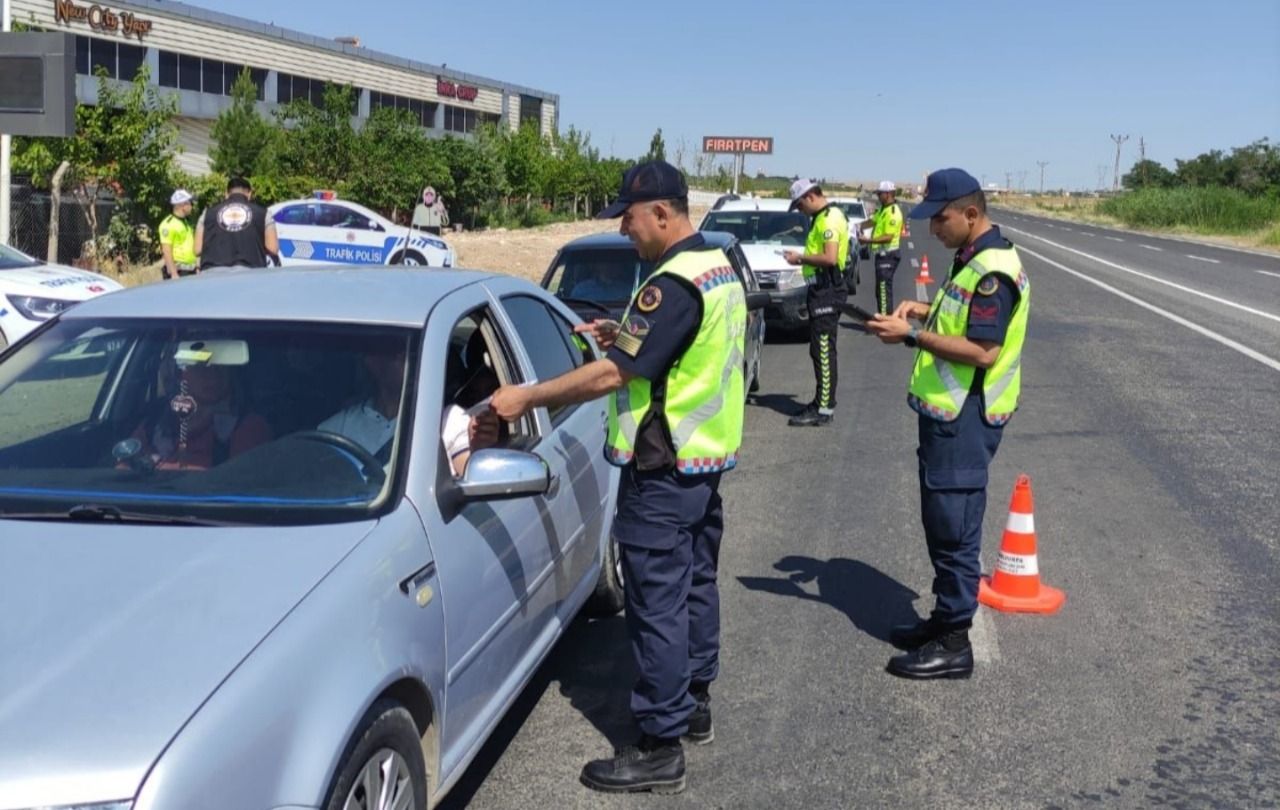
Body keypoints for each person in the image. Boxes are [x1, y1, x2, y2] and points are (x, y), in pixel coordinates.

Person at [490, 160, 747, 795]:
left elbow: (612, 376)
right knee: (694, 585)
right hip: (701, 468)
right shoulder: (717, 270)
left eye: (629, 220)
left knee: (656, 604)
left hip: (661, 471)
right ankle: (694, 704)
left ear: (663, 213)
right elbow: (673, 353)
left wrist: (529, 398)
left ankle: (660, 747)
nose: (625, 231)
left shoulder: (672, 285)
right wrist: (622, 335)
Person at [865, 168, 1030, 680]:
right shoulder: (972, 259)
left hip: (965, 421)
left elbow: (983, 350)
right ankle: (942, 620)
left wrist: (911, 337)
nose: (932, 228)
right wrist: (926, 310)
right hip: (948, 418)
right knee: (941, 522)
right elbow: (962, 319)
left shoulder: (991, 272)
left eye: (940, 218)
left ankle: (955, 641)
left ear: (971, 214)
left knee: (955, 529)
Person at [319, 338, 497, 475]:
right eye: (398, 351)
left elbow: (470, 479)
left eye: (415, 352)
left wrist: (478, 449)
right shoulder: (335, 429)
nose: (410, 358)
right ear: (372, 361)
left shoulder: (449, 420)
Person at [131, 347, 272, 470]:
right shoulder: (155, 424)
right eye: (200, 366)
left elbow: (239, 485)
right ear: (180, 374)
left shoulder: (248, 427)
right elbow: (121, 474)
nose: (212, 374)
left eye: (220, 364)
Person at [782, 179, 850, 427]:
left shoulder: (829, 218)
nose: (800, 211)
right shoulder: (821, 217)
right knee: (819, 348)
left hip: (827, 289)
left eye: (800, 206)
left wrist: (800, 258)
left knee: (823, 349)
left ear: (810, 196)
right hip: (821, 289)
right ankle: (823, 401)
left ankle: (823, 409)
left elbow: (830, 258)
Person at [195, 177, 278, 271]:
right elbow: (273, 248)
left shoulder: (207, 213)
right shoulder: (264, 213)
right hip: (250, 273)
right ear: (249, 194)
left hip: (212, 273)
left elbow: (197, 249)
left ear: (226, 194)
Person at [858, 180, 905, 314]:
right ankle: (883, 318)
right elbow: (872, 222)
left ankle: (886, 321)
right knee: (879, 290)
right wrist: (857, 226)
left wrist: (868, 241)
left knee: (884, 290)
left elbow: (888, 237)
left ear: (889, 194)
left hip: (888, 256)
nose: (878, 196)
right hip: (882, 256)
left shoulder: (893, 212)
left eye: (880, 194)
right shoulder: (883, 210)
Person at [158, 189, 197, 279]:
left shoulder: (186, 222)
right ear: (183, 205)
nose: (192, 206)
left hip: (191, 269)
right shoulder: (168, 224)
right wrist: (173, 273)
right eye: (191, 203)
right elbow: (166, 250)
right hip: (179, 270)